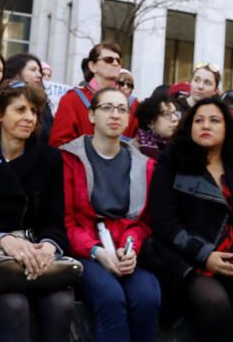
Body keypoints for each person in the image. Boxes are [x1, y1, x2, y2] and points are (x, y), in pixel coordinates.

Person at [148, 97, 233, 342]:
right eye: (199, 120)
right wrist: (205, 256)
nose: (206, 125)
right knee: (214, 303)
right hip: (189, 260)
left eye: (214, 120)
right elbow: (165, 222)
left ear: (227, 127)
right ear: (189, 127)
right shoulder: (172, 161)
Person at [0, 81, 74, 342]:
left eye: (34, 111)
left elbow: (54, 219)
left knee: (61, 304)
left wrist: (48, 246)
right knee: (14, 306)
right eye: (20, 109)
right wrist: (3, 239)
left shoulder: (49, 158)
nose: (29, 117)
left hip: (36, 252)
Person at [60, 87, 159, 342]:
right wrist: (96, 251)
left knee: (147, 297)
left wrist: (130, 249)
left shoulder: (144, 164)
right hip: (85, 251)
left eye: (122, 109)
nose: (115, 115)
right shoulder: (69, 157)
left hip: (125, 251)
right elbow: (67, 222)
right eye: (107, 108)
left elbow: (144, 222)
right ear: (92, 115)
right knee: (110, 297)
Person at [49, 43, 138, 147]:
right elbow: (59, 145)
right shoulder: (72, 99)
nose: (115, 63)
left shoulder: (132, 104)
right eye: (109, 60)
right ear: (92, 66)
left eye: (118, 61)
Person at [3, 52, 54, 143]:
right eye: (33, 70)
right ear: (16, 73)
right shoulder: (3, 98)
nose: (39, 75)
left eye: (39, 71)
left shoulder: (43, 103)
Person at [133, 93, 179, 161]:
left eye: (175, 113)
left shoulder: (180, 144)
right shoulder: (135, 149)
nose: (175, 119)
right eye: (167, 114)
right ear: (150, 122)